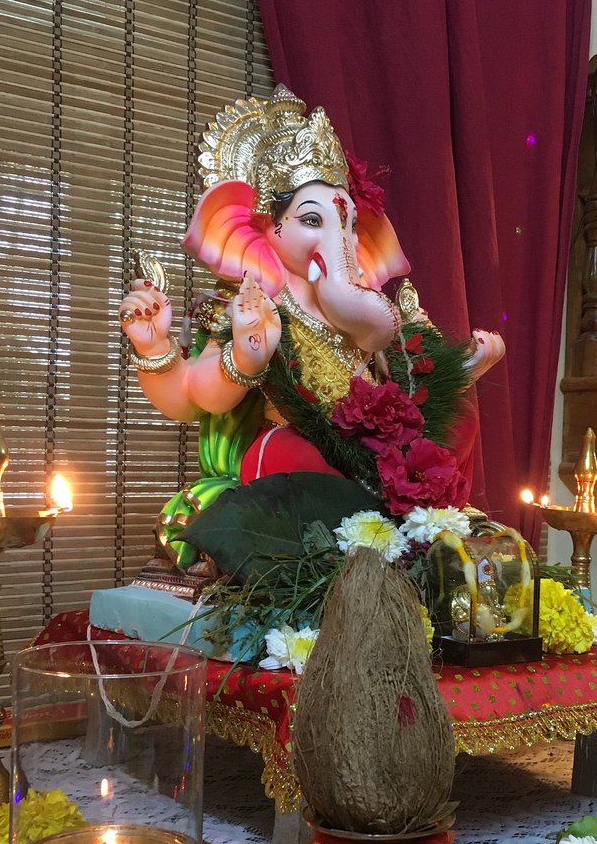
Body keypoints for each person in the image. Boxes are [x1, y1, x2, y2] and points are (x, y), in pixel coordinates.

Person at [119, 87, 504, 559]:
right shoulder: (256, 305)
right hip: (309, 462)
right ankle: (356, 537)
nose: (337, 239)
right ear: (259, 230)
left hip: (378, 455)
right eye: (311, 221)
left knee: (460, 423)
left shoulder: (365, 307)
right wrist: (185, 353)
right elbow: (197, 396)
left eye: (346, 226)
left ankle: (415, 526)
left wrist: (456, 377)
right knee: (282, 452)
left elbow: (402, 389)